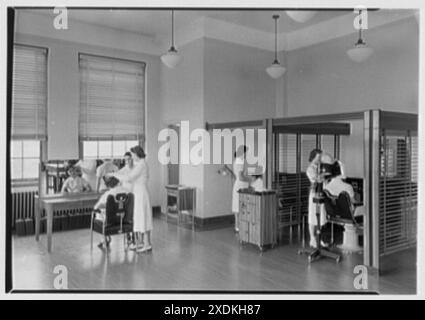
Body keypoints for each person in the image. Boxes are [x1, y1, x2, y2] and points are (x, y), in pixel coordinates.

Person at [110, 146, 153, 253]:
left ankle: (147, 244)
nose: (132, 157)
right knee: (139, 218)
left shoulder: (141, 165)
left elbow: (129, 177)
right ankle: (141, 242)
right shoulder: (140, 164)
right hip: (138, 193)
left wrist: (113, 174)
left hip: (141, 194)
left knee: (143, 218)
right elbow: (128, 174)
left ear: (137, 154)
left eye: (133, 155)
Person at [93, 176, 131, 248]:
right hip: (126, 219)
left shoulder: (108, 194)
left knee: (98, 215)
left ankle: (104, 240)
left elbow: (96, 207)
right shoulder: (128, 191)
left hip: (111, 222)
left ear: (107, 185)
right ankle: (128, 234)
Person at [306, 149, 330, 248]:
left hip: (322, 193)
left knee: (322, 217)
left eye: (320, 157)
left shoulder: (321, 167)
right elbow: (317, 179)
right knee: (313, 217)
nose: (320, 159)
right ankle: (312, 238)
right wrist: (324, 175)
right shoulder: (310, 169)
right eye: (318, 157)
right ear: (313, 157)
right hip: (314, 194)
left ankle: (321, 239)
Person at [232, 145, 254, 233]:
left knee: (238, 206)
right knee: (239, 206)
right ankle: (238, 226)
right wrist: (250, 179)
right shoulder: (239, 161)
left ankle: (238, 226)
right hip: (240, 185)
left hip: (240, 185)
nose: (247, 154)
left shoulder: (239, 161)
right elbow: (241, 177)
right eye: (246, 152)